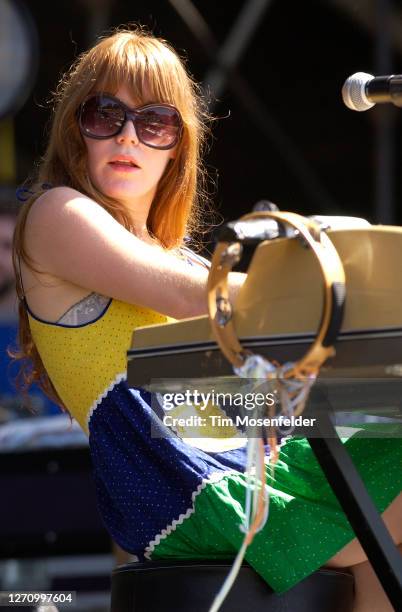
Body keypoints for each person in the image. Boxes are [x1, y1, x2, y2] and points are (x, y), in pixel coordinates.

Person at [11, 26, 402, 612]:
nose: (127, 136)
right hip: (188, 492)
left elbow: (277, 387)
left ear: (177, 145)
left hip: (257, 471)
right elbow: (208, 300)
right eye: (105, 114)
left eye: (154, 123)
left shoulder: (186, 257)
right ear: (76, 128)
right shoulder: (56, 213)